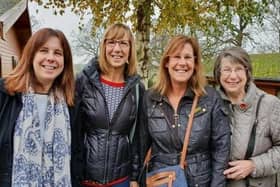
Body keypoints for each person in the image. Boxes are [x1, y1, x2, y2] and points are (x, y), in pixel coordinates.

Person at [138, 35, 231, 187]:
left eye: (188, 57)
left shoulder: (209, 98)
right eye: (176, 57)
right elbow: (140, 145)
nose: (182, 63)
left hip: (200, 181)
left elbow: (221, 148)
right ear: (167, 62)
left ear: (195, 63)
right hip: (162, 180)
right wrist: (136, 180)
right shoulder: (150, 98)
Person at [71, 23, 145, 187]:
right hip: (86, 179)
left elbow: (137, 138)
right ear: (104, 47)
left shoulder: (137, 89)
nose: (117, 49)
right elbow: (74, 130)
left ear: (130, 50)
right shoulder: (84, 82)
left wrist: (134, 178)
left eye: (123, 43)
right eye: (111, 42)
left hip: (120, 180)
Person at [0, 28, 75, 186]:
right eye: (44, 50)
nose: (50, 58)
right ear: (31, 55)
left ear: (65, 61)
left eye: (58, 53)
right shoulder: (6, 94)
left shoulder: (70, 102)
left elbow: (77, 155)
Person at [213, 47, 280, 187]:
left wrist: (254, 165)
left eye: (238, 69)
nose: (232, 76)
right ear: (218, 74)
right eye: (226, 70)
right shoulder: (209, 105)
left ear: (247, 72)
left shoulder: (269, 105)